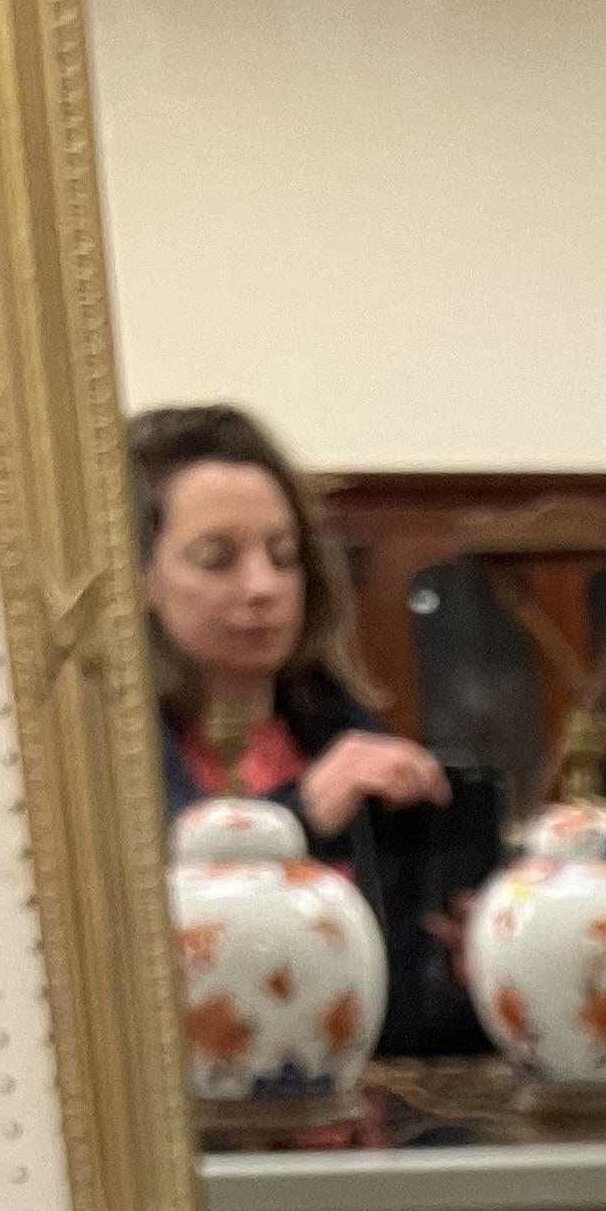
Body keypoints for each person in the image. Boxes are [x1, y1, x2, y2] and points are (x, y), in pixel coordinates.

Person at [132, 402, 477, 1052]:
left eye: (283, 556)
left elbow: (400, 1027)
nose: (262, 587)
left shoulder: (339, 730)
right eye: (216, 559)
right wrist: (299, 818)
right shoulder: (103, 751)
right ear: (138, 576)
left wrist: (467, 976)